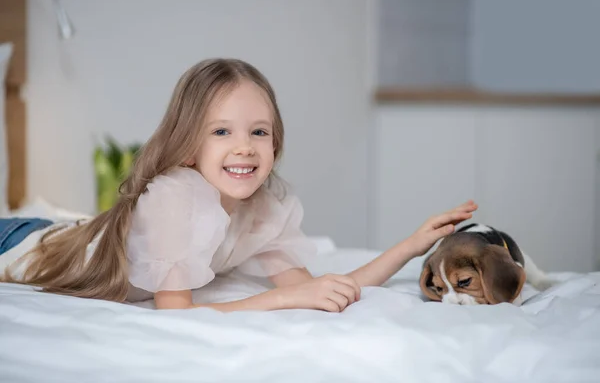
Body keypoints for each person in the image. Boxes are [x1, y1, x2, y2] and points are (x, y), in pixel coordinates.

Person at [0, 58, 477, 312]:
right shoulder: (174, 197)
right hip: (28, 244)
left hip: (76, 229)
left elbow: (324, 288)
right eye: (222, 131)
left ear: (275, 142)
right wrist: (283, 298)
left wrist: (413, 244)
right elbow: (177, 317)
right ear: (188, 147)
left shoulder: (264, 207)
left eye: (259, 132)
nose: (245, 146)